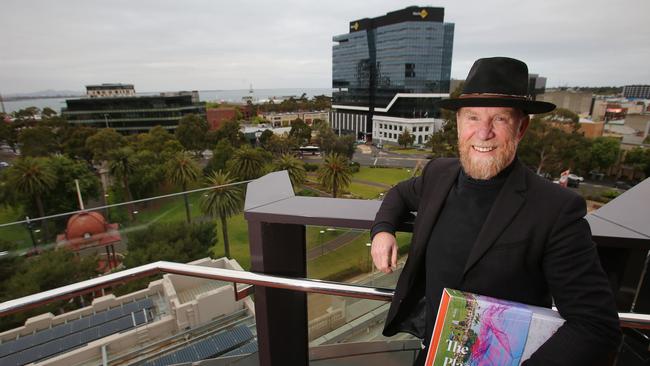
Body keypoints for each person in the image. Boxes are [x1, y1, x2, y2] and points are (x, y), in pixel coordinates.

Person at [370, 57, 621, 365]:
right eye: (473, 117)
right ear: (459, 123)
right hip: (434, 354)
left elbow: (596, 326)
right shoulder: (439, 174)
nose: (483, 132)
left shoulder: (555, 209)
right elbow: (399, 193)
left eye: (500, 119)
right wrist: (383, 230)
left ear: (521, 127)